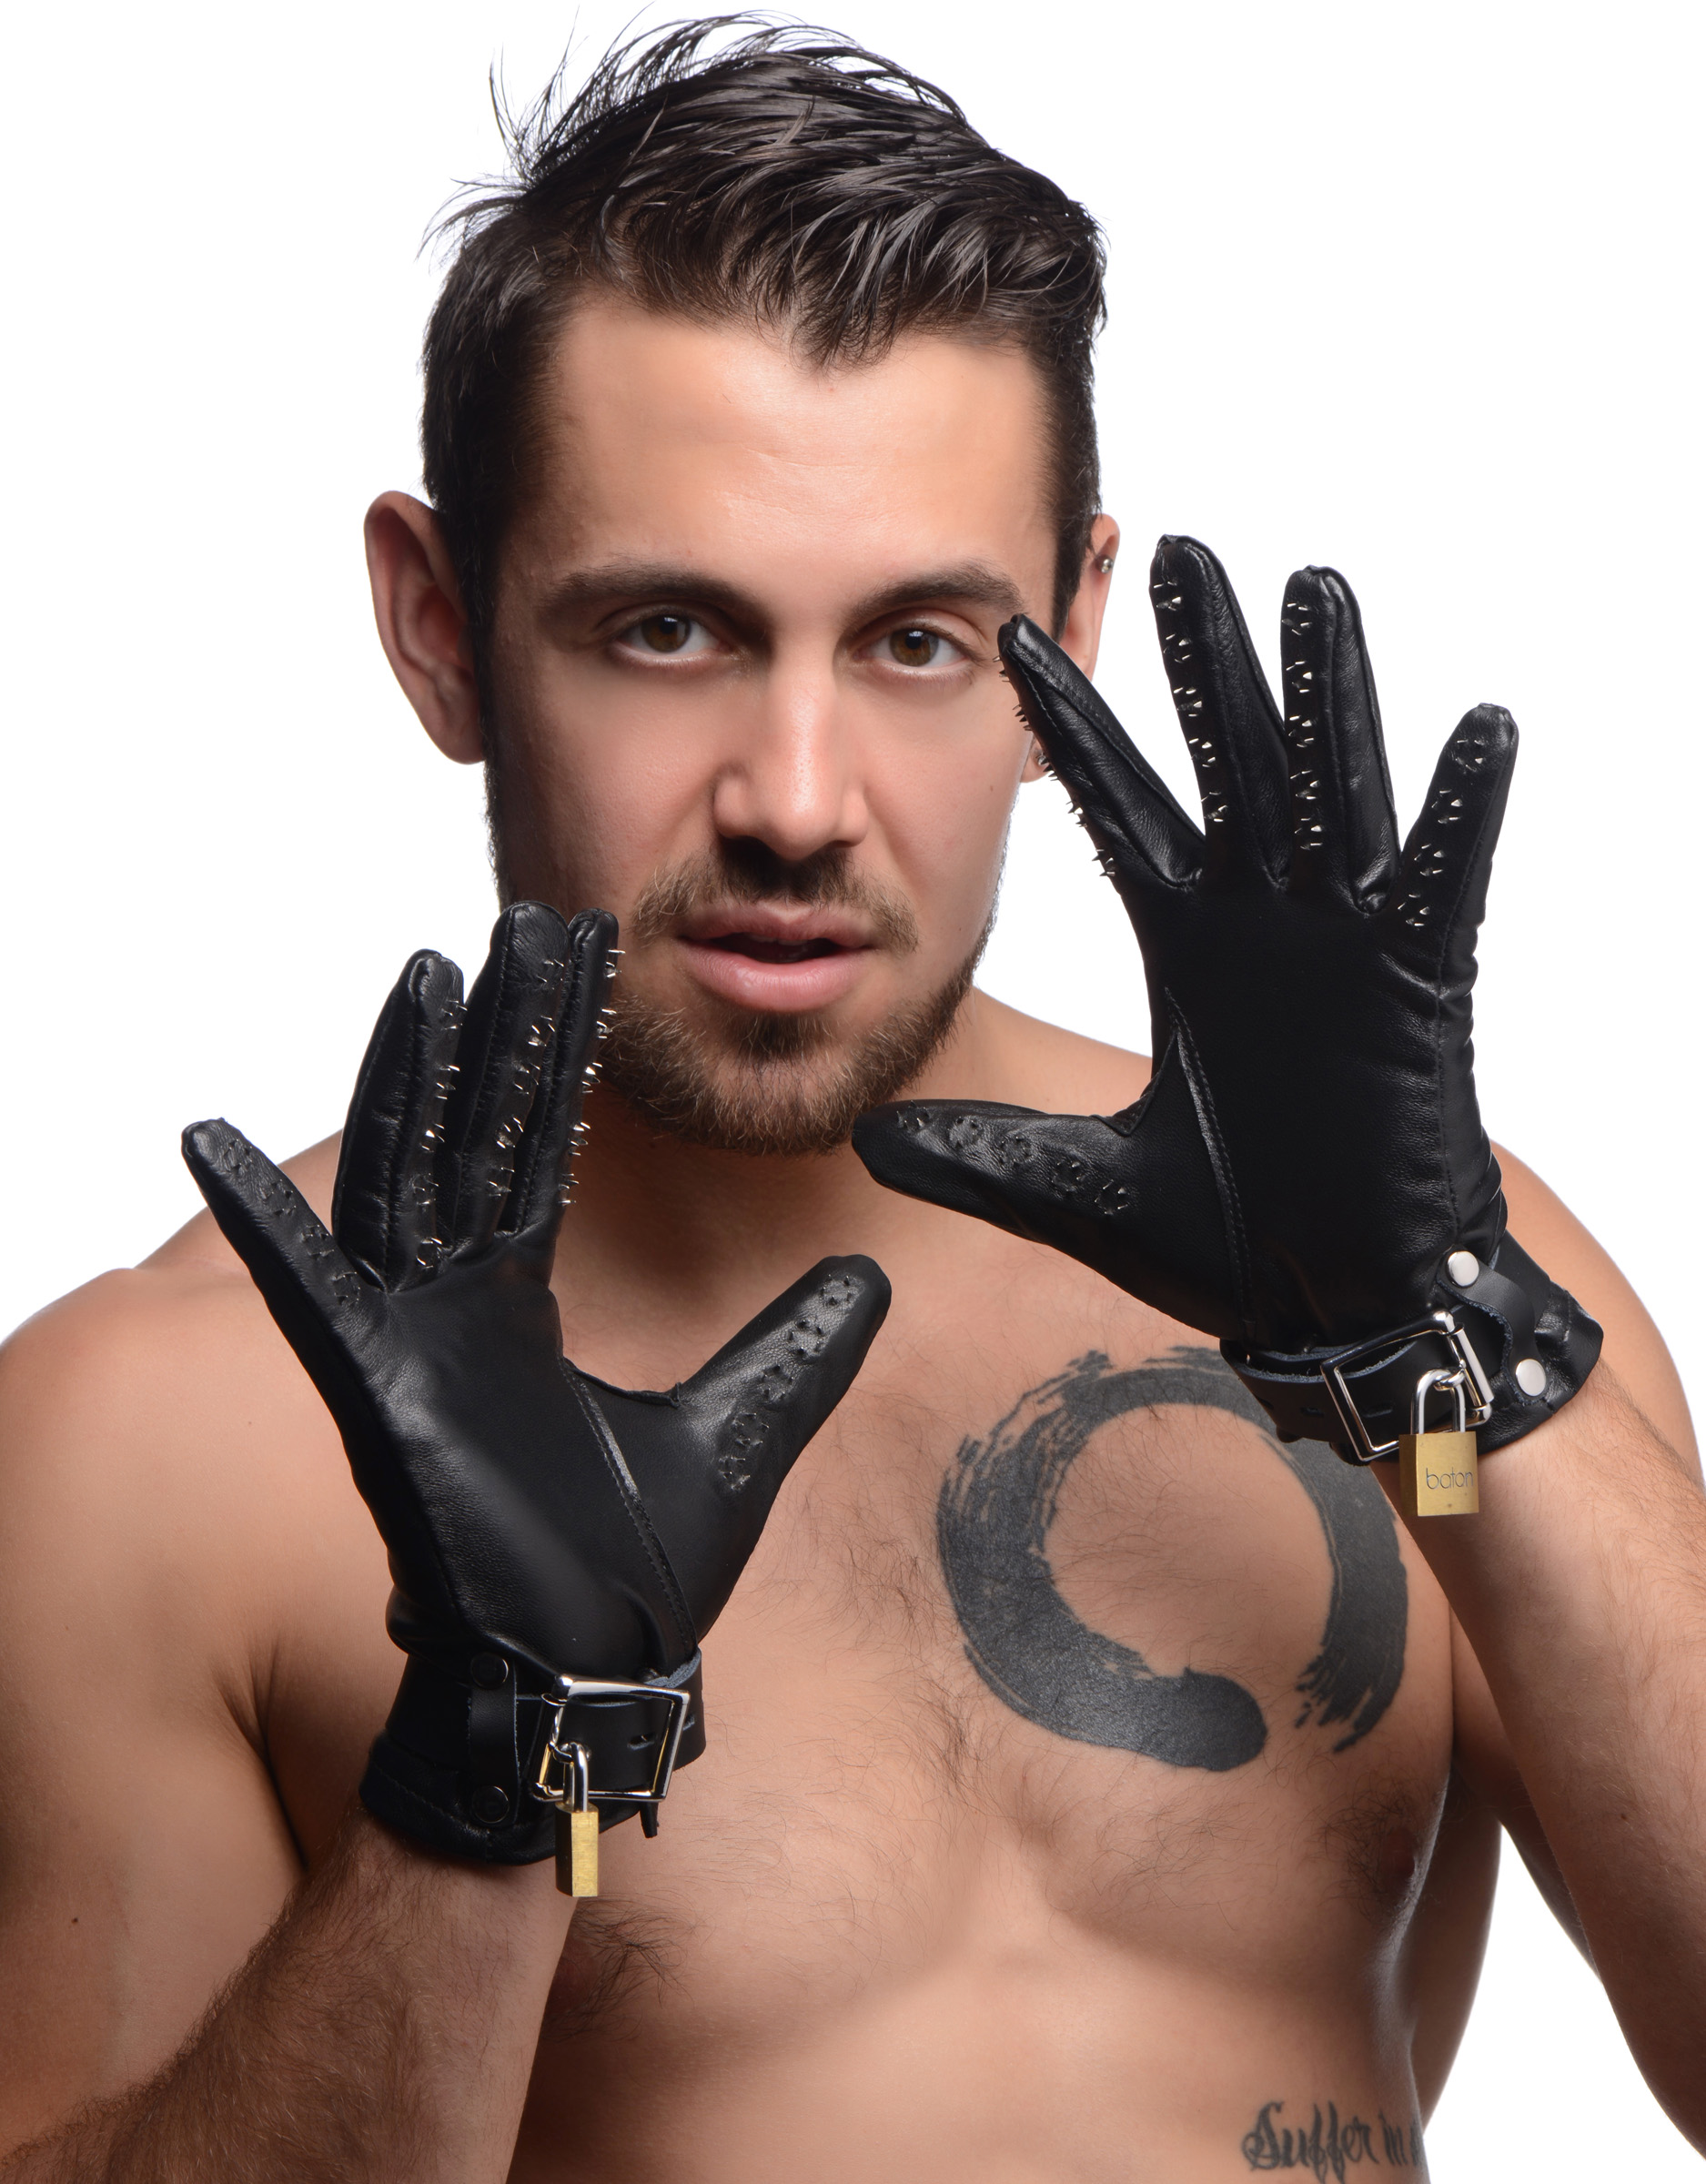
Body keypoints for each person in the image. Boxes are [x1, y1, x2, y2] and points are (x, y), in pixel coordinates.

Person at [0, 20, 1701, 2180]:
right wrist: (498, 1765)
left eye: (917, 642)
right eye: (668, 629)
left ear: (1065, 635)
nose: (796, 803)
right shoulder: (154, 1441)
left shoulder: (1432, 1287)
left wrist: (1443, 1326)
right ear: (439, 627)